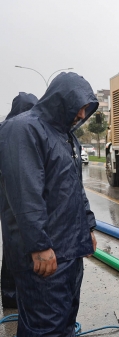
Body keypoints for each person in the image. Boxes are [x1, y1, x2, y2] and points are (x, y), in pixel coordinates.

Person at [0, 72, 98, 337]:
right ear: (61, 99)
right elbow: (25, 196)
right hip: (46, 255)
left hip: (70, 250)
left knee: (65, 325)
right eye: (79, 105)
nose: (82, 114)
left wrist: (88, 227)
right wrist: (40, 246)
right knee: (43, 332)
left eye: (87, 108)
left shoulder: (66, 137)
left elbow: (75, 188)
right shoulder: (23, 130)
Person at [0, 92, 38, 309]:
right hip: (10, 195)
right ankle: (13, 295)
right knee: (16, 243)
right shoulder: (10, 132)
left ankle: (13, 294)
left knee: (15, 243)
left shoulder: (9, 129)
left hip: (13, 195)